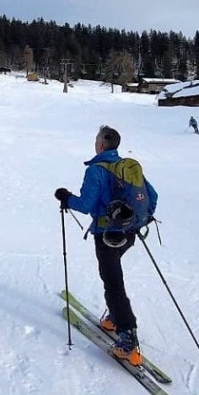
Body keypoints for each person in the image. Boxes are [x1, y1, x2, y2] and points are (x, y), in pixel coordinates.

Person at [54, 125, 157, 366]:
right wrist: (136, 219)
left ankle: (128, 339)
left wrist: (66, 197)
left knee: (113, 283)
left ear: (101, 145)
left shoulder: (96, 170)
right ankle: (114, 317)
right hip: (130, 233)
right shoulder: (128, 167)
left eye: (96, 140)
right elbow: (152, 196)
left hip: (108, 235)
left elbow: (85, 205)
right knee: (113, 277)